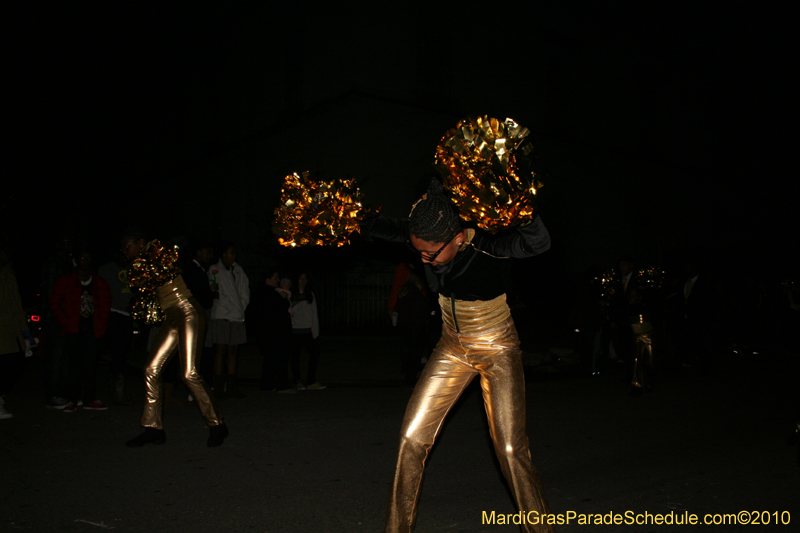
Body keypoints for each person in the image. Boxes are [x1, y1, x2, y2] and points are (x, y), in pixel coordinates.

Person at [363, 179, 554, 533]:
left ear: (458, 238)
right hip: (452, 346)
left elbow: (537, 242)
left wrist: (522, 207)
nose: (423, 260)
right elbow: (380, 227)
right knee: (410, 439)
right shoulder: (429, 229)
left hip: (497, 346)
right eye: (417, 250)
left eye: (430, 254)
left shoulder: (489, 244)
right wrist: (348, 216)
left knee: (511, 450)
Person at [122, 234, 227, 447]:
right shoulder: (142, 263)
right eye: (123, 248)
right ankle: (153, 428)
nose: (125, 251)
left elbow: (170, 256)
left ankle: (217, 424)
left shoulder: (156, 251)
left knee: (190, 373)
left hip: (188, 311)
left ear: (140, 242)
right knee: (151, 369)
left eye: (127, 246)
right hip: (171, 316)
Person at [49, 250, 112, 412]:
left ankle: (89, 399)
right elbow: (55, 302)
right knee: (73, 365)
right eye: (82, 258)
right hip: (73, 328)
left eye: (88, 258)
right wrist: (65, 322)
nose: (85, 261)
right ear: (76, 261)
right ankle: (72, 398)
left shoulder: (99, 282)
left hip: (93, 328)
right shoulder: (66, 281)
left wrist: (103, 324)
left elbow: (106, 304)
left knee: (91, 365)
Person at [207, 242, 250, 399]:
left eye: (234, 253)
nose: (234, 256)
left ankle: (231, 387)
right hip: (222, 315)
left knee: (233, 351)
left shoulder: (238, 271)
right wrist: (231, 307)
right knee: (221, 350)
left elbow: (245, 291)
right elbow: (217, 293)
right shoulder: (214, 270)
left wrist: (241, 306)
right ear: (223, 254)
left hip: (237, 315)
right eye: (231, 253)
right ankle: (218, 388)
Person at [247, 268, 294, 393]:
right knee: (280, 358)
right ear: (268, 279)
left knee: (271, 359)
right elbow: (281, 307)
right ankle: (281, 385)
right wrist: (284, 299)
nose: (278, 281)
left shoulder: (264, 292)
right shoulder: (268, 293)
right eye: (275, 278)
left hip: (270, 332)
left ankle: (267, 384)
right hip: (274, 332)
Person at [290, 272, 324, 390]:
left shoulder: (310, 294)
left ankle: (311, 380)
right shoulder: (290, 294)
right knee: (295, 356)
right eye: (300, 278)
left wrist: (315, 331)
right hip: (294, 331)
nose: (303, 281)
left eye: (305, 278)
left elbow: (314, 313)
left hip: (307, 330)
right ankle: (297, 380)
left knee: (315, 353)